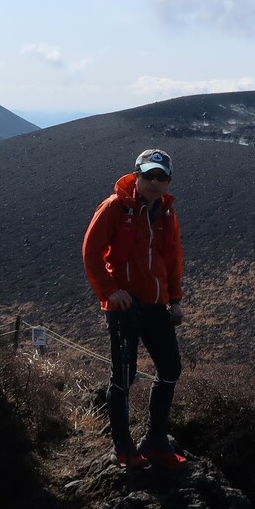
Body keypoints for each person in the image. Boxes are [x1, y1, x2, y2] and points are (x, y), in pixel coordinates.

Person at [82, 148, 187, 469]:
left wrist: (176, 299)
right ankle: (124, 447)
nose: (155, 182)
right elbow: (90, 251)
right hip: (125, 307)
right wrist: (111, 292)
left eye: (161, 177)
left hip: (157, 306)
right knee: (124, 378)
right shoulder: (115, 207)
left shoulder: (167, 215)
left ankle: (156, 441)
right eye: (149, 175)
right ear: (137, 176)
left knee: (170, 370)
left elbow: (172, 260)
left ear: (169, 181)